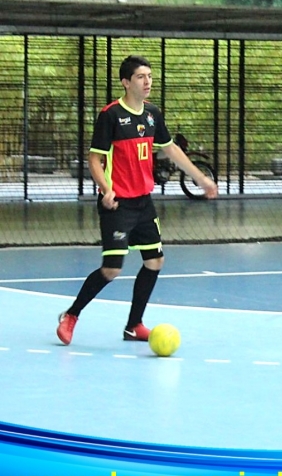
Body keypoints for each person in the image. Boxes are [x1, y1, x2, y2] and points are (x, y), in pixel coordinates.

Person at [56, 55, 218, 345]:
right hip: (117, 202)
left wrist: (200, 178)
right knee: (112, 268)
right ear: (126, 82)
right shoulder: (111, 115)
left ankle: (134, 326)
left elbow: (172, 151)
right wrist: (106, 189)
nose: (147, 82)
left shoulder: (152, 114)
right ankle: (71, 315)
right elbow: (94, 160)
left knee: (155, 261)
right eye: (141, 77)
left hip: (144, 202)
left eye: (150, 76)